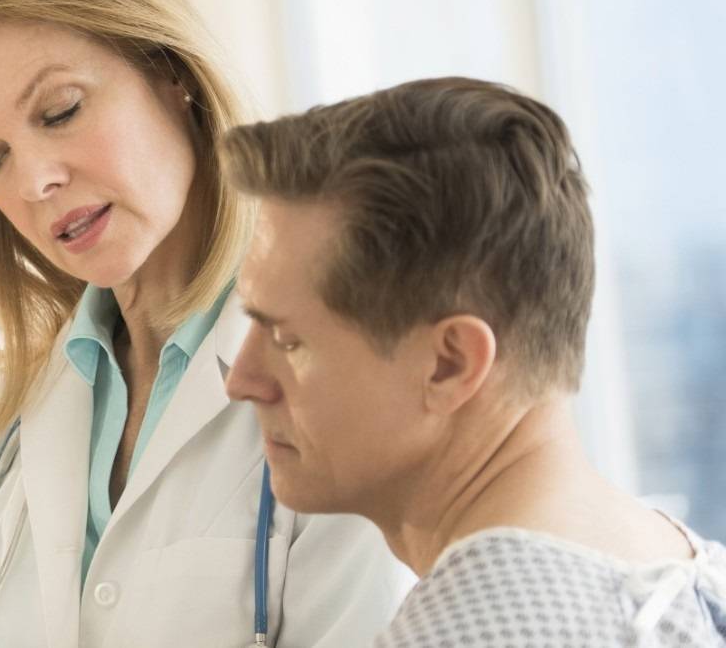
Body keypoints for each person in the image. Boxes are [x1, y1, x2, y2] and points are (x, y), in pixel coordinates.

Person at [0, 0, 411, 644]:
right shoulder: (6, 425)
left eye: (59, 112)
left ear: (170, 72)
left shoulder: (341, 379)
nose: (33, 181)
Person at [222, 76, 726, 646]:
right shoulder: (685, 581)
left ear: (450, 364)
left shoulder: (459, 636)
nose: (242, 380)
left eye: (287, 340)